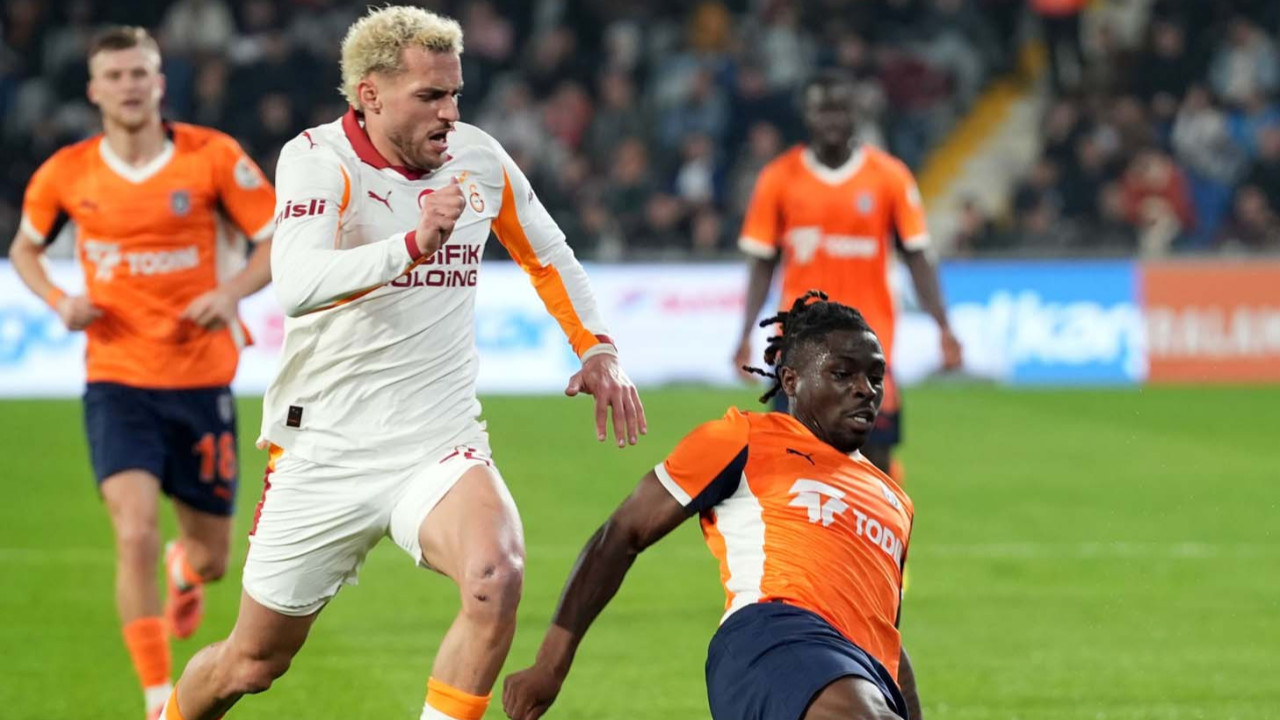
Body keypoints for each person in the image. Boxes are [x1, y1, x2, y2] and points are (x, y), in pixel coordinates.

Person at [160, 7, 645, 720]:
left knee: (495, 575)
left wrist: (597, 348)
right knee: (252, 662)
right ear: (371, 95)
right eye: (430, 96)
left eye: (455, 94)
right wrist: (413, 245)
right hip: (325, 448)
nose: (450, 113)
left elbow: (547, 254)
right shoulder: (318, 160)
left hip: (436, 440)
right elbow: (296, 282)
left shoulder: (479, 159)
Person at [8, 27, 276, 720]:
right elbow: (25, 250)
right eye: (115, 75)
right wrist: (59, 300)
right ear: (93, 90)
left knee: (214, 560)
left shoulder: (212, 156)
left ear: (159, 83)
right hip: (117, 378)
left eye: (140, 73)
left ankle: (184, 569)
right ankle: (159, 695)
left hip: (201, 379)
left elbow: (276, 238)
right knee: (132, 532)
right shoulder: (67, 172)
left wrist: (231, 292)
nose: (128, 85)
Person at [504, 291, 922, 720]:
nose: (865, 389)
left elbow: (885, 629)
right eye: (843, 374)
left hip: (862, 668)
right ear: (791, 380)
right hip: (773, 639)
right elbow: (622, 534)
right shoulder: (744, 439)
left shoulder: (893, 500)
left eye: (876, 377)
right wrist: (549, 666)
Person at [732, 71, 961, 476]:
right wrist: (745, 333)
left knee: (873, 473)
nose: (832, 119)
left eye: (840, 109)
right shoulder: (778, 179)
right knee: (792, 472)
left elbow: (918, 256)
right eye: (823, 109)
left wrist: (943, 326)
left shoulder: (889, 176)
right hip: (800, 350)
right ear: (807, 115)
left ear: (856, 113)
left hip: (868, 348)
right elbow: (762, 263)